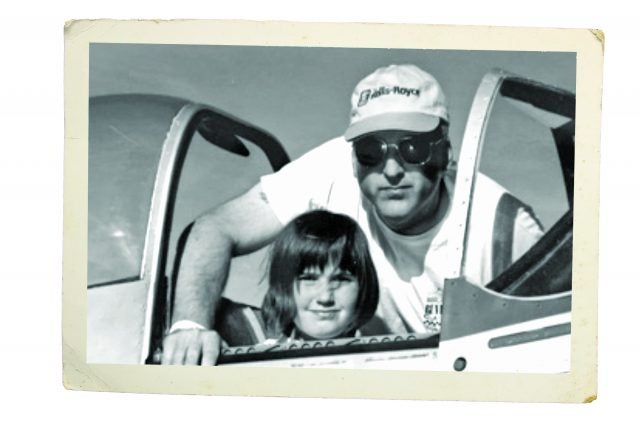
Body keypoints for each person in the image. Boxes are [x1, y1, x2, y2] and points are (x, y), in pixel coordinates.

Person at [161, 64, 543, 365]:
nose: (391, 170)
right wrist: (190, 326)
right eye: (371, 152)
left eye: (412, 148)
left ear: (446, 151)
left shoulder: (504, 224)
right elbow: (215, 228)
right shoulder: (333, 164)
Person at [260, 210, 379, 342]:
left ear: (364, 287)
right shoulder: (259, 359)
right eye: (309, 278)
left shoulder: (388, 358)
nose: (325, 297)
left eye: (341, 279)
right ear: (282, 286)